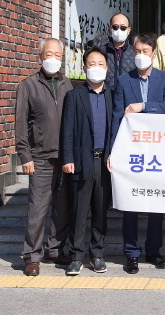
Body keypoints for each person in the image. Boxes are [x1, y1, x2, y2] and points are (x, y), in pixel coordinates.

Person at [111, 33, 165, 274]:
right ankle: (131, 252)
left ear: (154, 54)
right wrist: (113, 151)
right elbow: (117, 117)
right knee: (131, 203)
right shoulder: (123, 80)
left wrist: (144, 107)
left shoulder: (164, 78)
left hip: (157, 152)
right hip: (131, 151)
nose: (141, 55)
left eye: (145, 51)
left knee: (155, 203)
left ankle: (154, 250)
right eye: (137, 51)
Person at [15, 38, 73, 277]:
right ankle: (32, 256)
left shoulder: (68, 84)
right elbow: (20, 123)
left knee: (62, 208)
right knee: (37, 209)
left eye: (58, 55)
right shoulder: (28, 85)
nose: (53, 59)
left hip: (65, 157)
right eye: (49, 54)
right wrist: (25, 155)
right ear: (40, 57)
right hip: (39, 157)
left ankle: (55, 249)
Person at [60, 48, 113, 276]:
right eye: (92, 64)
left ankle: (97, 254)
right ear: (84, 69)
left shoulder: (112, 95)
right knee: (79, 212)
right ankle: (76, 257)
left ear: (107, 68)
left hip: (104, 164)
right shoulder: (74, 96)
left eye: (100, 64)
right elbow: (67, 130)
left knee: (100, 212)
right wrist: (68, 158)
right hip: (81, 161)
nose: (96, 68)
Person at [100, 13, 135, 91]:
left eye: (123, 27)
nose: (119, 30)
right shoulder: (101, 52)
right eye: (115, 27)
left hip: (128, 99)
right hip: (106, 98)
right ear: (110, 29)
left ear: (128, 30)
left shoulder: (135, 53)